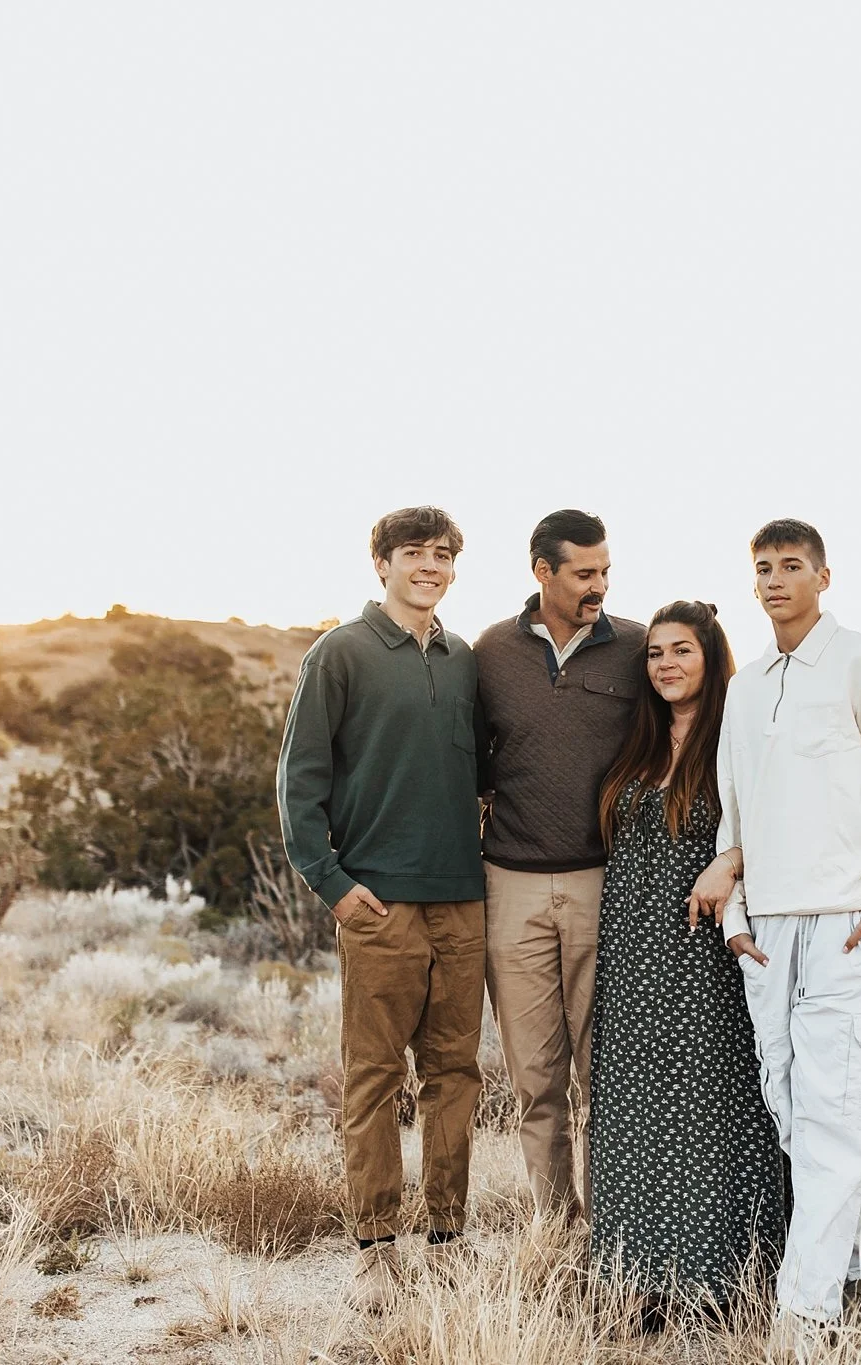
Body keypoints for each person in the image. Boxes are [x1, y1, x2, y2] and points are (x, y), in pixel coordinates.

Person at [709, 518, 861, 1329]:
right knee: (795, 1108)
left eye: (791, 565)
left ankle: (803, 1316)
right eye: (763, 567)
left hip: (848, 921)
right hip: (767, 928)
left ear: (822, 577)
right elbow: (733, 812)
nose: (774, 580)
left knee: (837, 1113)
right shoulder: (746, 685)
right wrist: (735, 922)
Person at [275, 505, 487, 1299]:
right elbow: (299, 780)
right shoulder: (340, 653)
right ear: (382, 564)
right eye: (414, 553)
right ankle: (375, 1247)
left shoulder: (464, 660)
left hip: (462, 900)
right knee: (373, 1077)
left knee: (455, 1074)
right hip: (378, 906)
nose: (430, 566)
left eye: (443, 554)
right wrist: (331, 883)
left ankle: (448, 1238)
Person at [587, 601, 788, 1307]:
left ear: (711, 658)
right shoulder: (638, 740)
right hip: (630, 950)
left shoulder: (738, 735)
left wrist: (730, 859)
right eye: (655, 652)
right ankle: (634, 1279)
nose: (666, 664)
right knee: (632, 1104)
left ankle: (721, 1279)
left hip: (705, 952)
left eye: (682, 650)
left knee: (710, 1100)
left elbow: (784, 818)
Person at [474, 508, 647, 1221]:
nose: (599, 585)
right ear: (542, 571)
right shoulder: (491, 651)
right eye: (584, 573)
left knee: (606, 1075)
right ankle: (554, 1225)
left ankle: (611, 1229)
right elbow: (472, 763)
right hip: (509, 885)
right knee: (535, 1078)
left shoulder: (636, 647)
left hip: (604, 884)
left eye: (605, 570)